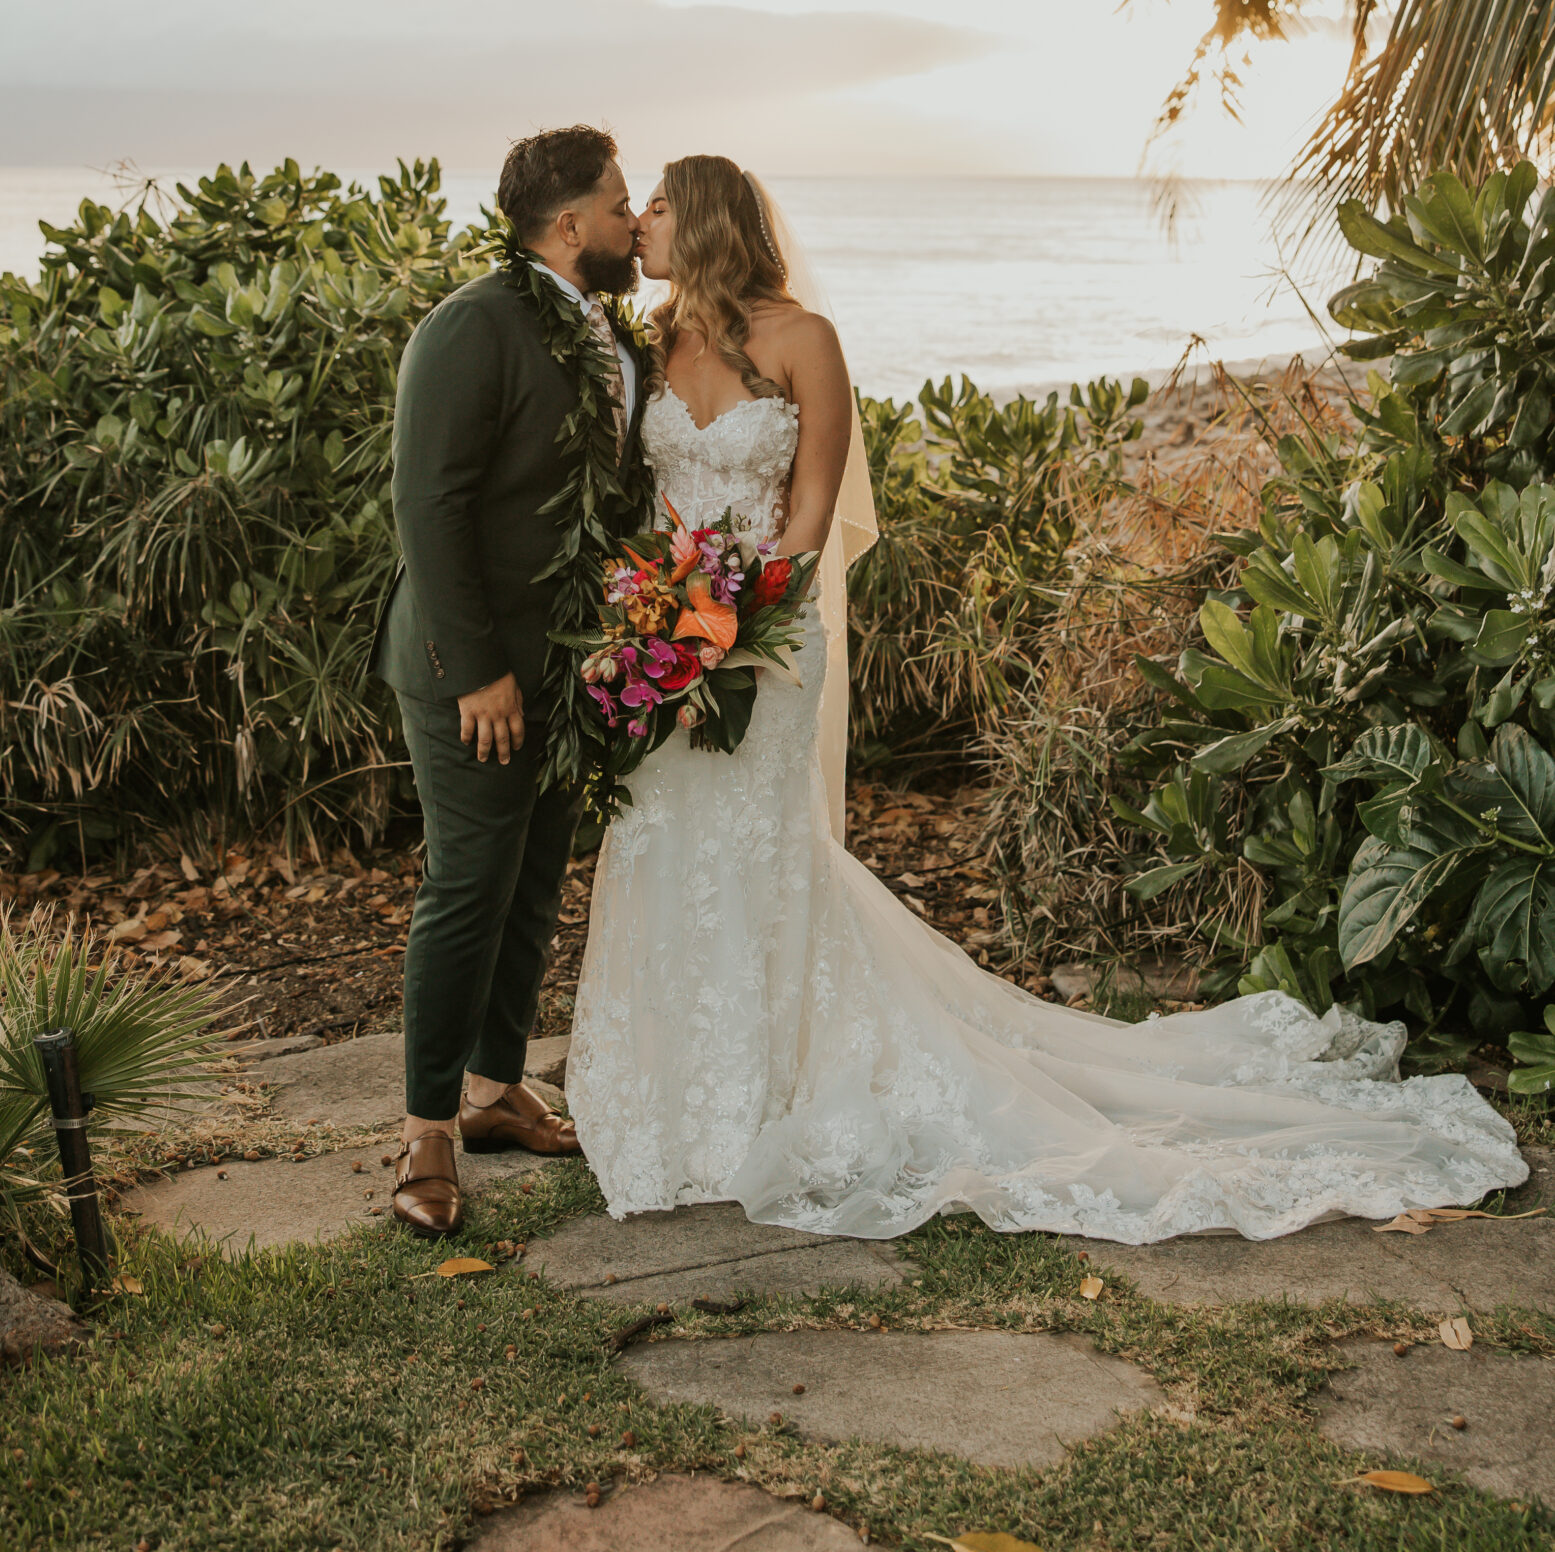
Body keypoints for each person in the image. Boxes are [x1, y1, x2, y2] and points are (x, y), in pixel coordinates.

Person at [566, 155, 1527, 1242]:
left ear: (703, 219)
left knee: (760, 855)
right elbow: (638, 505)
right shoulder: (649, 345)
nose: (635, 221)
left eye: (653, 204)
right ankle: (671, 1095)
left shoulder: (804, 341)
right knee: (660, 844)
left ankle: (767, 1089)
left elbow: (810, 512)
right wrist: (652, 624)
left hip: (769, 647)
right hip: (661, 649)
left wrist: (730, 630)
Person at [372, 124, 648, 1238]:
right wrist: (481, 669)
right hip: (466, 668)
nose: (635, 223)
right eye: (623, 205)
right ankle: (425, 1126)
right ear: (570, 223)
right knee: (469, 882)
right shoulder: (470, 326)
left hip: (570, 664)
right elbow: (426, 506)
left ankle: (494, 1088)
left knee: (534, 878)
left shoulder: (607, 330)